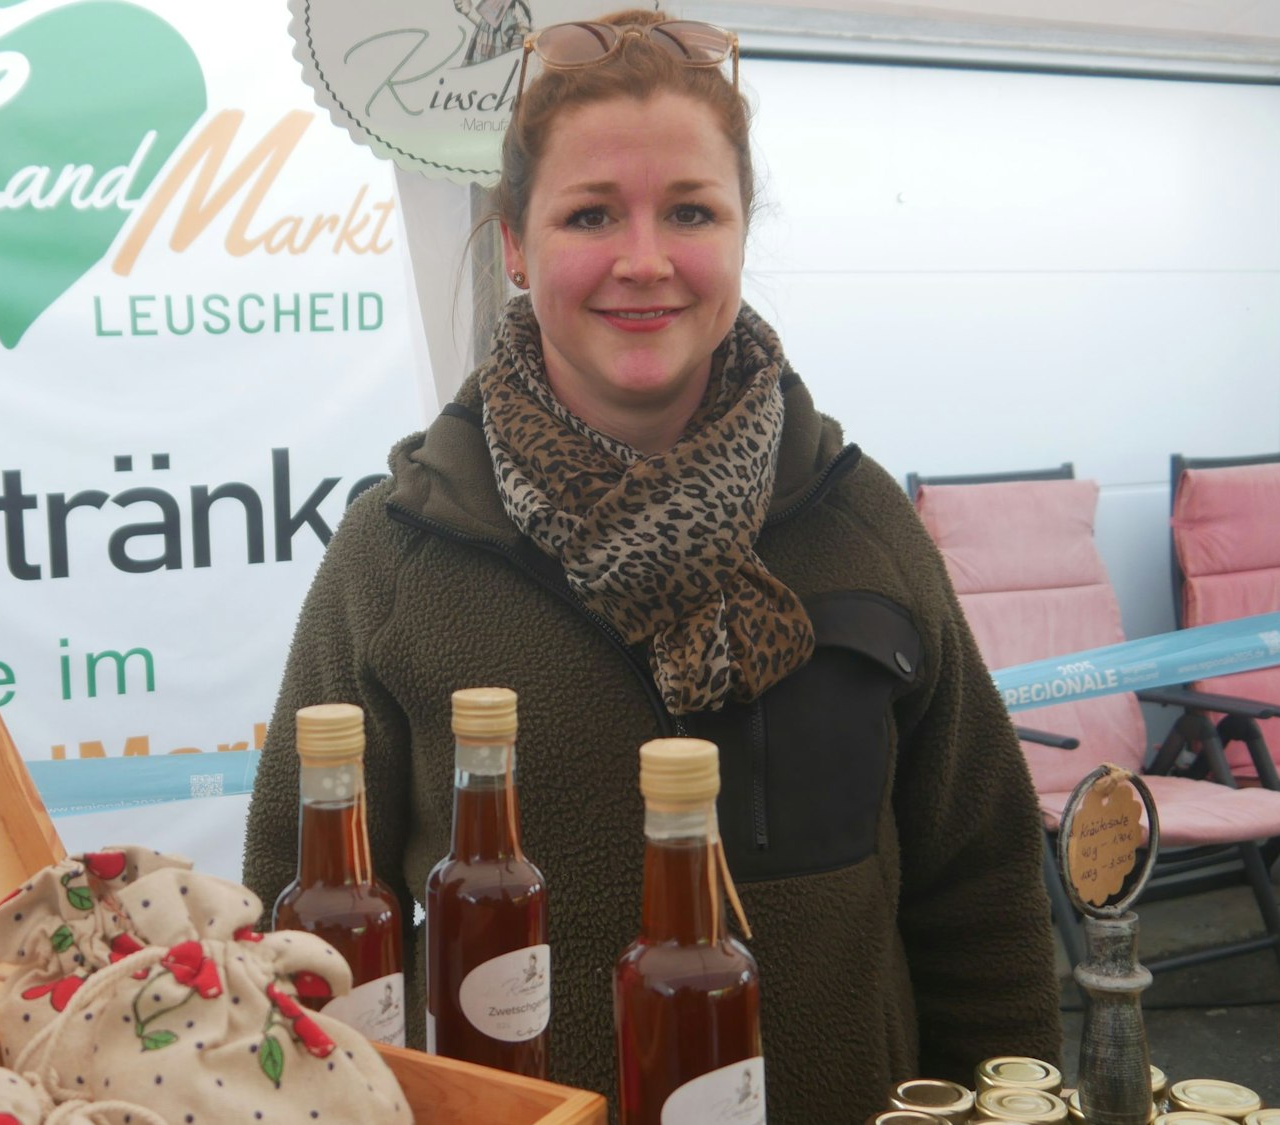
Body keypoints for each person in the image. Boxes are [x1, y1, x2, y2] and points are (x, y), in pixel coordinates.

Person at [243, 9, 1061, 1121]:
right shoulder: (396, 559)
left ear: (736, 234)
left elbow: (982, 892)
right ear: (517, 248)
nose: (643, 259)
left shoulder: (856, 522)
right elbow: (295, 951)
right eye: (590, 213)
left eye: (689, 211)